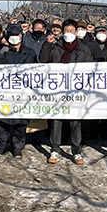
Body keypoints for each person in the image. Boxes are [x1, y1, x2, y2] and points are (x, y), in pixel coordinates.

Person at [40, 19, 93, 165]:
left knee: (75, 121)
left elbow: (89, 69)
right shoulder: (55, 47)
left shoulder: (84, 49)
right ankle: (55, 149)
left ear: (77, 32)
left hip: (76, 91)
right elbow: (43, 59)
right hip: (57, 91)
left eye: (71, 31)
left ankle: (76, 151)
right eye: (66, 31)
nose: (69, 34)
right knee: (56, 120)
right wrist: (47, 44)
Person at [0, 23, 37, 157]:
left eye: (16, 35)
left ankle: (18, 147)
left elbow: (37, 71)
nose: (14, 38)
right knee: (3, 121)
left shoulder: (30, 52)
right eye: (11, 35)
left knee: (20, 122)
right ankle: (2, 145)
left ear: (21, 36)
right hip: (5, 92)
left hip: (23, 93)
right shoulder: (2, 52)